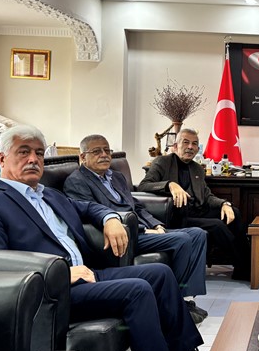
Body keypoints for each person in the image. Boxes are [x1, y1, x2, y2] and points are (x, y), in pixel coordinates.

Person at [0, 125, 206, 351]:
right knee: (138, 289)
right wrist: (60, 273)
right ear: (1, 158)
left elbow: (88, 207)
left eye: (38, 153)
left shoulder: (49, 194)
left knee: (160, 273)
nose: (33, 159)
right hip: (51, 292)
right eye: (23, 152)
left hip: (88, 275)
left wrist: (110, 217)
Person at [63, 134, 209, 324]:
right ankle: (176, 302)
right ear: (83, 157)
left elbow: (136, 205)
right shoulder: (77, 181)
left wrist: (155, 224)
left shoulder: (116, 176)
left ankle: (185, 297)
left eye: (107, 150)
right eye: (97, 151)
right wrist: (142, 229)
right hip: (123, 235)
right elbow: (89, 214)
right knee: (182, 239)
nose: (104, 155)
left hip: (142, 230)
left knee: (198, 234)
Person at [138, 128, 259, 281]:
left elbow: (207, 196)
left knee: (235, 212)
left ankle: (248, 265)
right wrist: (169, 184)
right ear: (175, 146)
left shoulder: (197, 168)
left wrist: (224, 204)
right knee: (218, 226)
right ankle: (247, 268)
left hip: (197, 210)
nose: (190, 147)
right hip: (177, 216)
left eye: (194, 144)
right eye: (186, 142)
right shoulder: (162, 162)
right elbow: (143, 186)